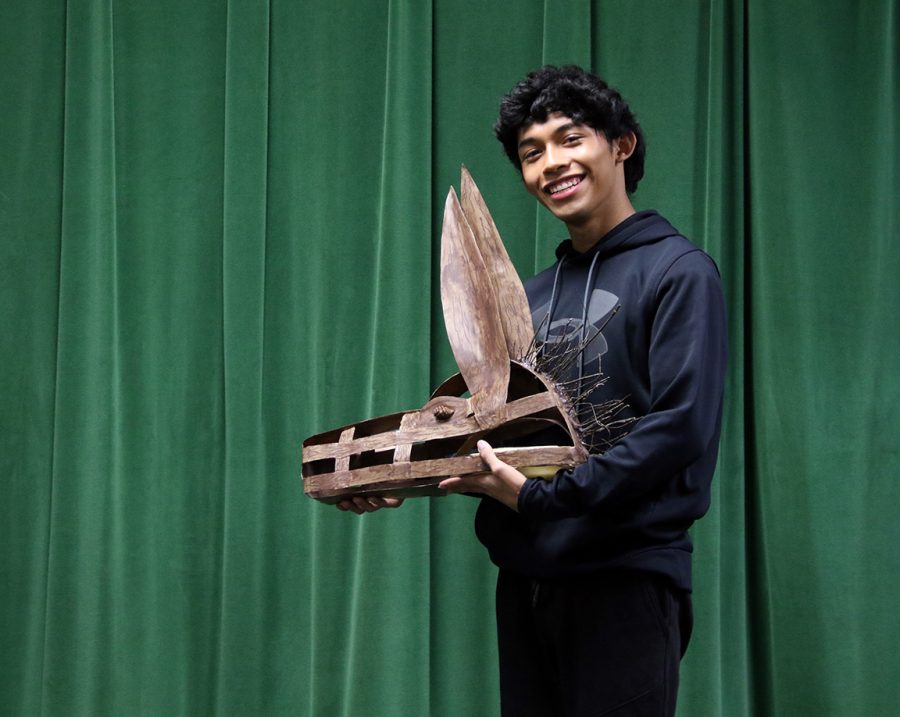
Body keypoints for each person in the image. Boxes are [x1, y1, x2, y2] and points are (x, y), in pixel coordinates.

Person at [340, 65, 728, 717]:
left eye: (569, 139)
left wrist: (546, 496)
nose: (551, 162)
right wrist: (390, 472)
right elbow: (496, 429)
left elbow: (681, 426)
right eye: (531, 152)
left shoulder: (679, 272)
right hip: (527, 584)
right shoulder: (530, 298)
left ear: (621, 144)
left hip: (625, 582)